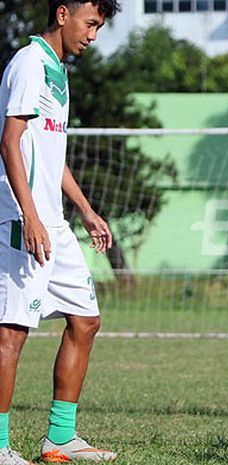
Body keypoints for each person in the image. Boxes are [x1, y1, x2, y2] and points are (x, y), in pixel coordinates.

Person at [0, 1, 121, 464]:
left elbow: (51, 152)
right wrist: (28, 215)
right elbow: (9, 141)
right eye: (91, 24)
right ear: (64, 13)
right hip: (21, 216)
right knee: (12, 332)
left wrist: (86, 210)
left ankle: (59, 438)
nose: (93, 34)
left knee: (86, 320)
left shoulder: (58, 70)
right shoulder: (30, 63)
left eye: (100, 27)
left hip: (54, 220)